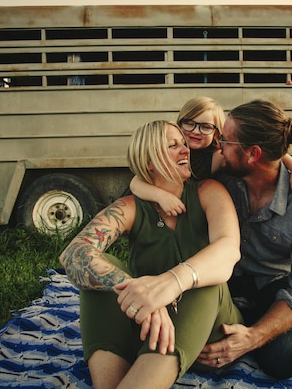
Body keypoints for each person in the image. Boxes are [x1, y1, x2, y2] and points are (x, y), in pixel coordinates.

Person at [59, 120, 244, 389]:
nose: (185, 150)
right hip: (150, 327)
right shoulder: (131, 207)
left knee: (206, 279)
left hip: (212, 334)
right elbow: (74, 253)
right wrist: (141, 292)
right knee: (100, 272)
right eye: (173, 145)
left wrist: (169, 284)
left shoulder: (208, 192)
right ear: (149, 163)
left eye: (183, 143)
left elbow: (228, 249)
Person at [197, 100, 292, 380]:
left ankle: (246, 329)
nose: (218, 145)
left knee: (283, 361)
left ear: (253, 154)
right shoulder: (223, 174)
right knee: (195, 347)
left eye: (225, 140)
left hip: (272, 286)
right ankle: (235, 321)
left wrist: (253, 337)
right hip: (223, 278)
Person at [130, 97, 292, 218]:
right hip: (163, 208)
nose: (195, 131)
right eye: (189, 123)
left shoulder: (217, 155)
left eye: (205, 127)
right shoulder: (169, 149)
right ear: (180, 122)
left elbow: (264, 150)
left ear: (218, 133)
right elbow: (136, 183)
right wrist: (160, 196)